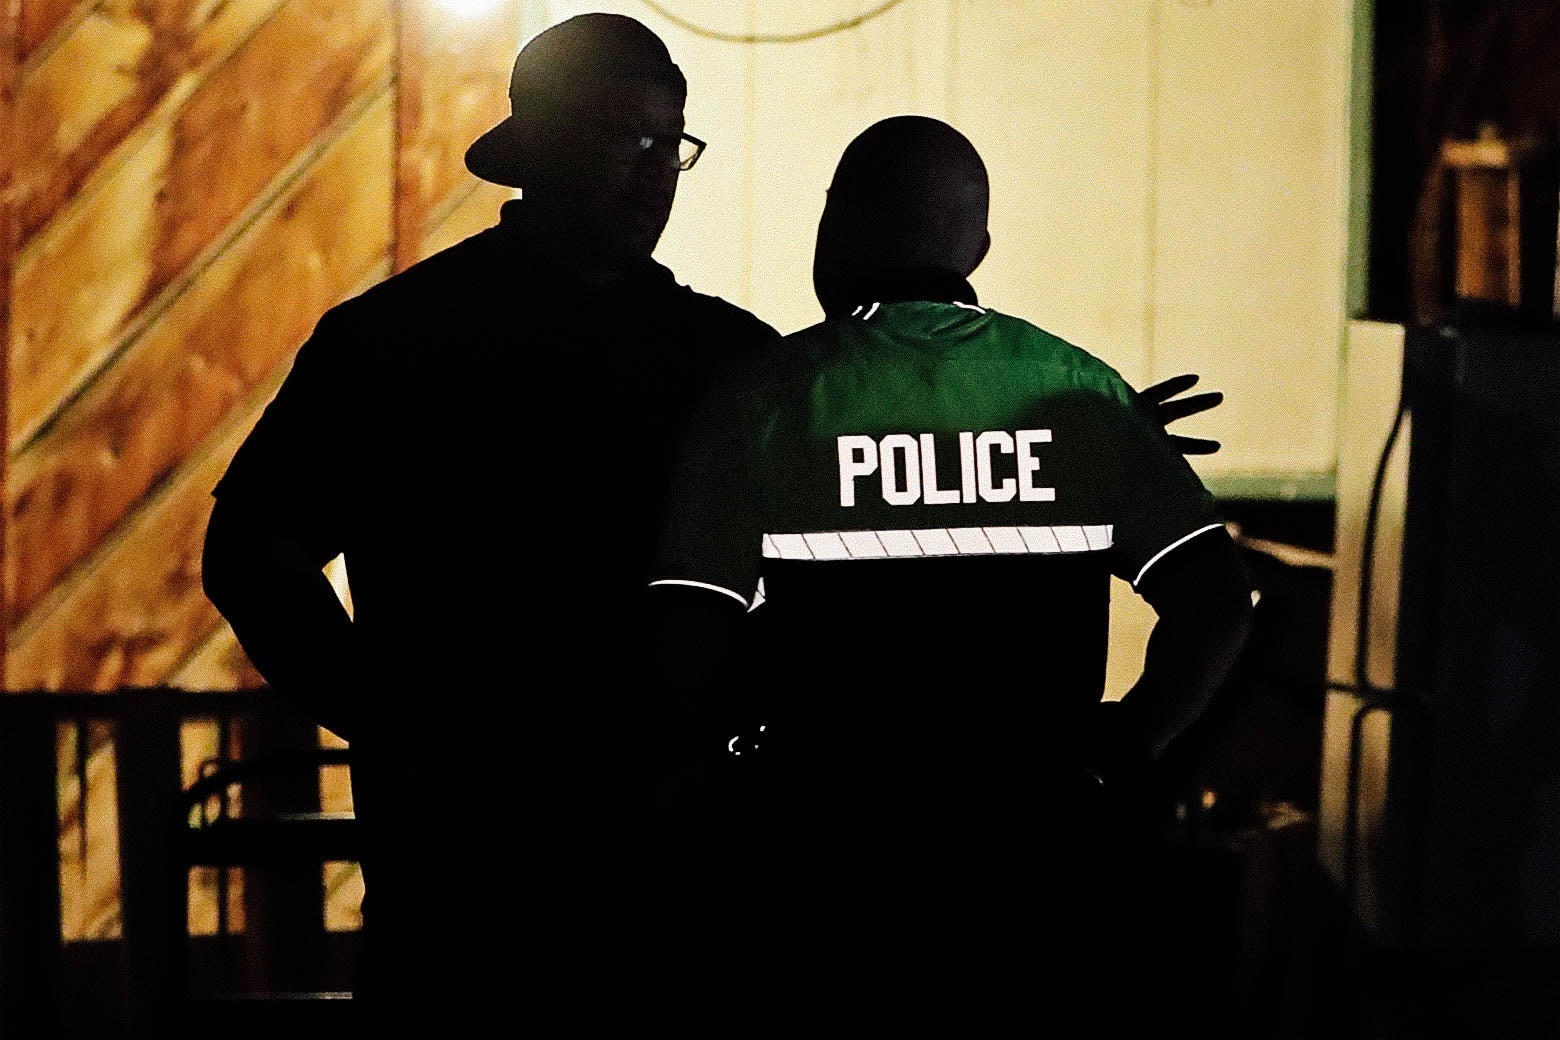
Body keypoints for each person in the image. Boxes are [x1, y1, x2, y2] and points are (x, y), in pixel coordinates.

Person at [200, 13, 780, 1025]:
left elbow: (254, 548)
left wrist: (395, 721)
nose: (657, 170)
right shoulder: (717, 361)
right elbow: (252, 550)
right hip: (514, 887)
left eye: (671, 143)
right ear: (543, 142)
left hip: (569, 876)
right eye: (624, 137)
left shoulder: (403, 338)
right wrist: (392, 714)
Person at [647, 115, 1255, 1026]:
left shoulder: (762, 395)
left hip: (829, 872)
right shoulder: (1084, 392)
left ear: (835, 225)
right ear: (977, 243)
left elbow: (686, 640)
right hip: (1036, 867)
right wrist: (1124, 747)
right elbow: (1215, 602)